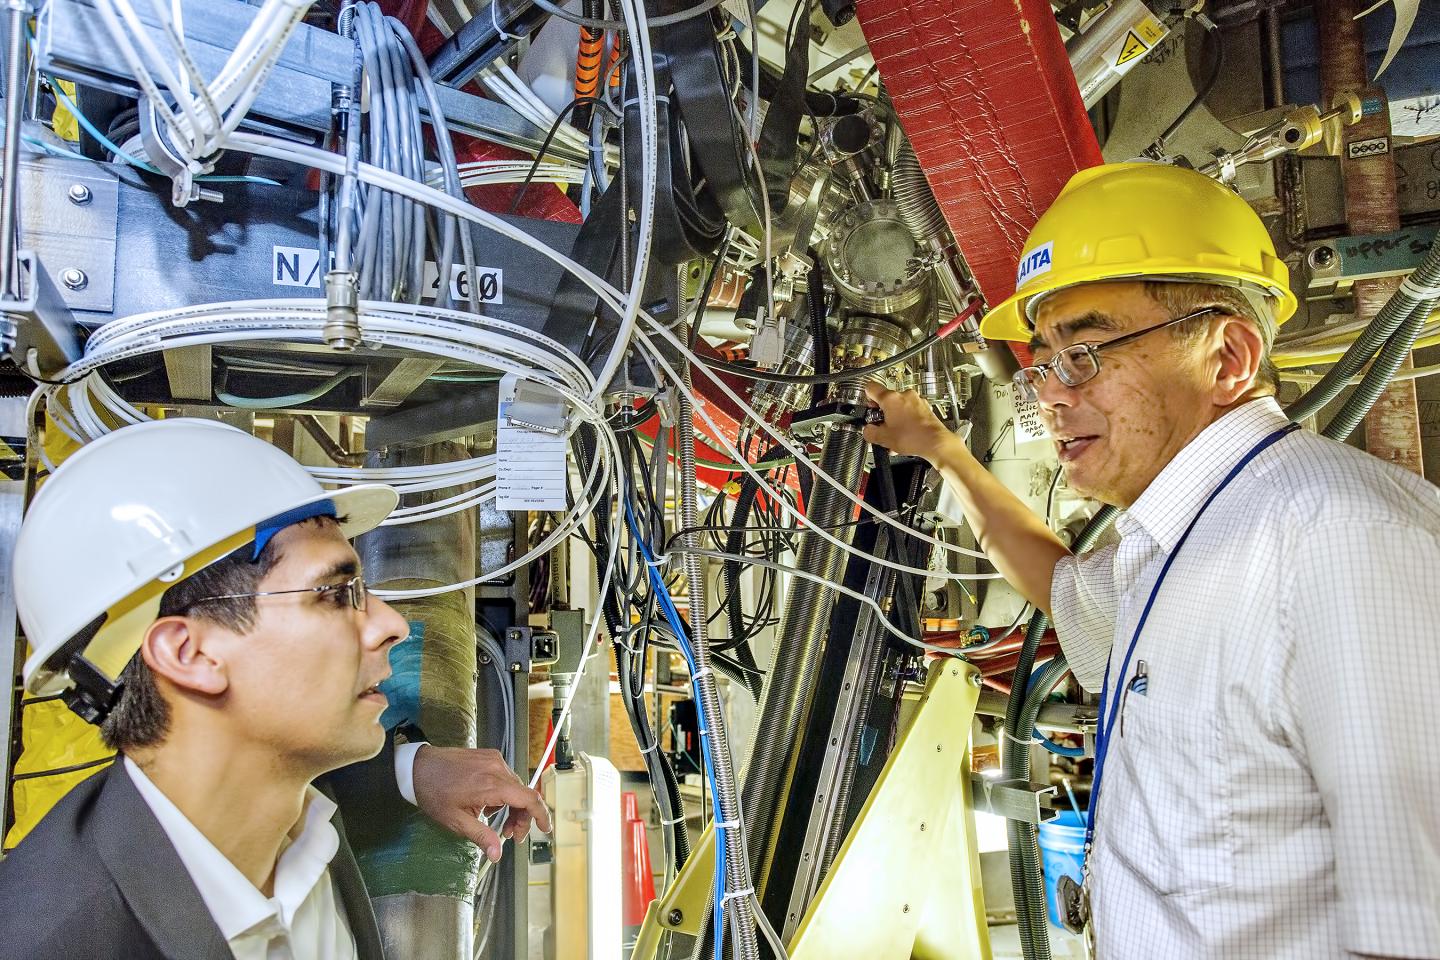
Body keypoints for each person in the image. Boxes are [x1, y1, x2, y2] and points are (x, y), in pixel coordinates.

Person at [865, 163, 1440, 959]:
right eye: (1044, 367)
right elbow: (1061, 590)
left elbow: (1417, 924)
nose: (1053, 397)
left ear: (1229, 356)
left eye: (1087, 353)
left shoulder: (1341, 538)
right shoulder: (1168, 550)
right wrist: (942, 451)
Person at [0, 418, 551, 959]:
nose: (391, 624)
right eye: (335, 594)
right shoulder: (58, 936)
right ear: (190, 654)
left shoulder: (298, 825)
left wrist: (410, 772)